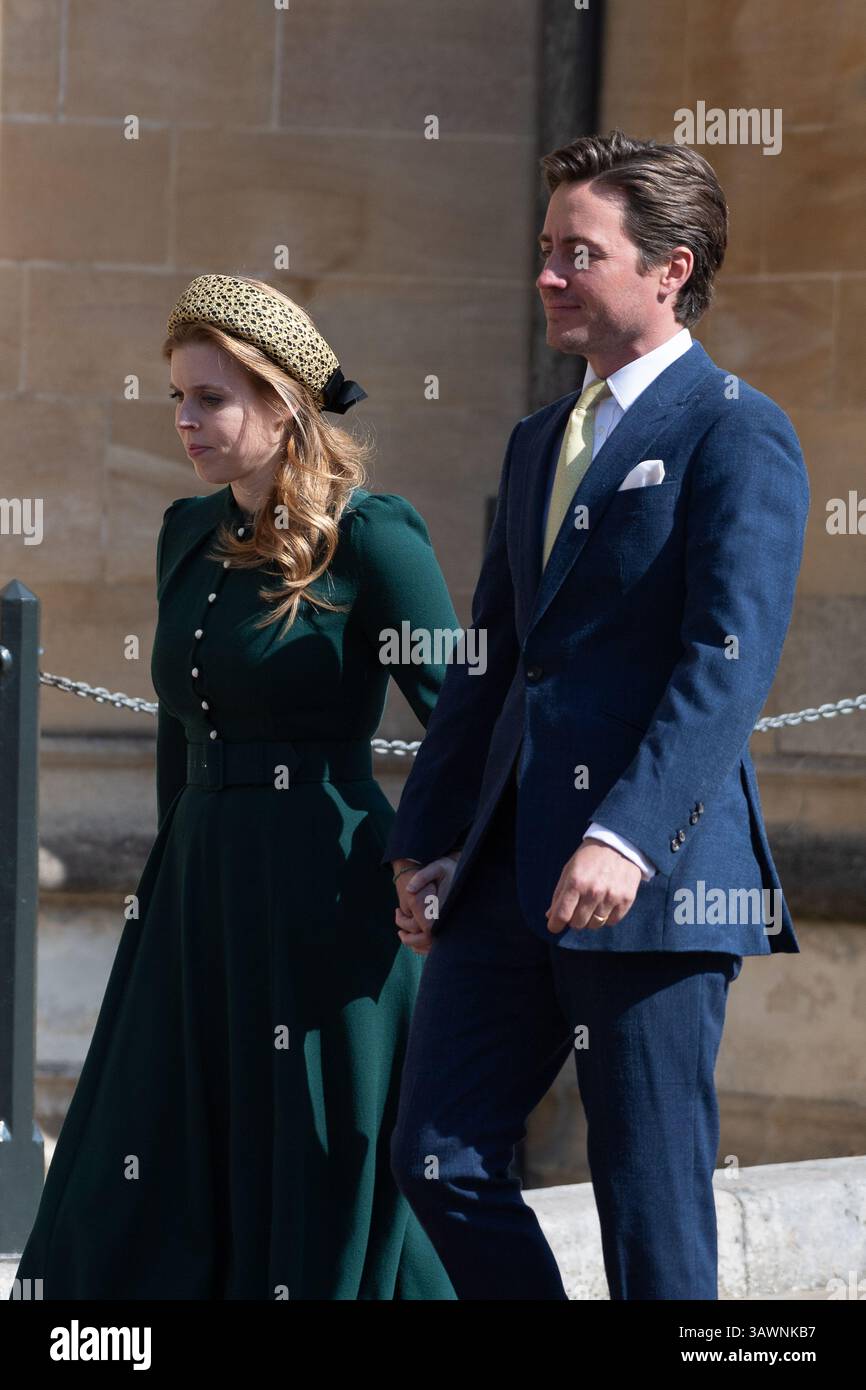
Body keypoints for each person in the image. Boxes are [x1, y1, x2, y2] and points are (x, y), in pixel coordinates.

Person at [385, 130, 811, 1300]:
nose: (547, 275)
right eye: (544, 250)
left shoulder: (735, 429)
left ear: (667, 268)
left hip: (655, 885)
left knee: (649, 1205)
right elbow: (491, 665)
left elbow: (723, 663)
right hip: (505, 876)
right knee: (434, 1153)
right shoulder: (537, 443)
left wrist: (625, 834)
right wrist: (426, 837)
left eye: (579, 252)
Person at [11, 273, 457, 1300]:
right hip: (196, 891)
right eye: (175, 396)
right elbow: (181, 732)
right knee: (152, 1147)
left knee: (313, 1154)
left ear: (282, 402)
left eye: (208, 398)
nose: (184, 421)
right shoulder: (184, 533)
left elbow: (462, 717)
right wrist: (169, 880)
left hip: (325, 892)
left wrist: (440, 855)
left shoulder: (374, 535)